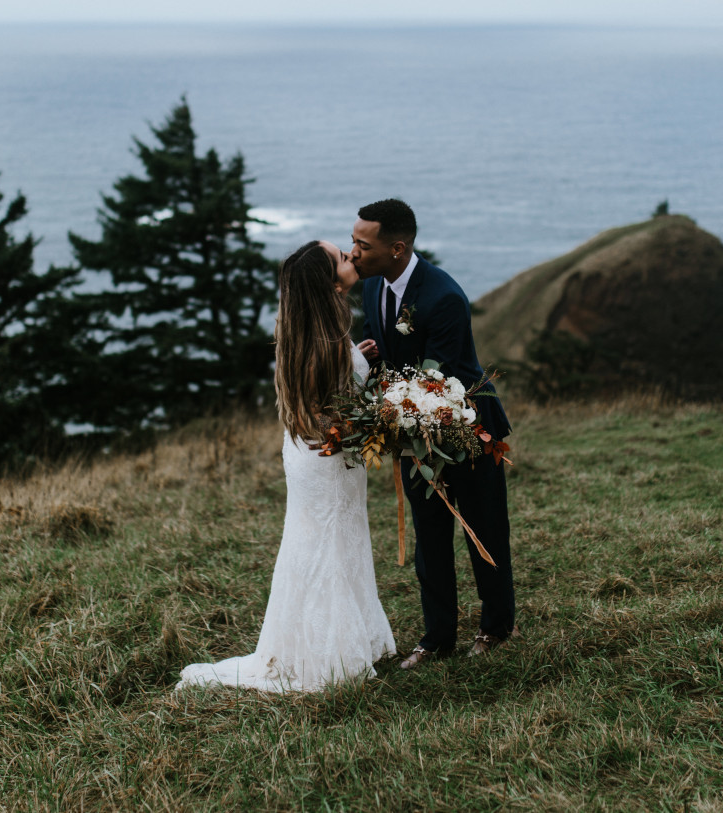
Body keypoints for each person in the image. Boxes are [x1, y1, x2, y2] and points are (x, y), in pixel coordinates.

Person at [177, 240, 395, 692]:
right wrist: (375, 413)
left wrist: (360, 362)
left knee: (320, 544)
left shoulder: (308, 327)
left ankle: (339, 643)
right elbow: (328, 414)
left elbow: (326, 393)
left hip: (309, 455)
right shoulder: (327, 338)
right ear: (331, 282)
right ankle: (328, 659)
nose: (351, 258)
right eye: (341, 257)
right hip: (328, 456)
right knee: (329, 548)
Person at [351, 198, 516, 668]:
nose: (354, 253)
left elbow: (437, 379)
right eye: (353, 242)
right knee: (430, 536)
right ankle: (438, 636)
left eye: (363, 245)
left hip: (467, 429)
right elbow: (388, 357)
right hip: (413, 431)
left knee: (485, 530)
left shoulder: (443, 296)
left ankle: (496, 627)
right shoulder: (372, 288)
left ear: (397, 249)